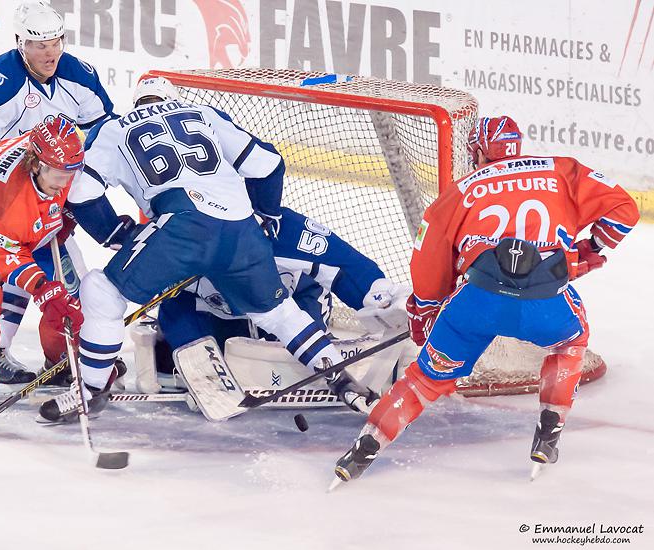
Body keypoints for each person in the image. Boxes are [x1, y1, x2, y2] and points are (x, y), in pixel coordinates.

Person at [39, 76, 378, 421]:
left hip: (183, 226)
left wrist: (115, 234)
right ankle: (341, 378)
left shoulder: (114, 128)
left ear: (138, 103)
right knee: (279, 314)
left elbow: (82, 194)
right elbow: (268, 164)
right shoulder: (204, 112)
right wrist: (267, 216)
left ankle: (91, 390)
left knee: (101, 290)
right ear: (174, 98)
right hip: (241, 228)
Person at [332, 116, 641, 484]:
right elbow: (625, 210)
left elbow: (427, 264)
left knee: (423, 380)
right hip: (546, 304)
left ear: (478, 151)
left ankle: (362, 451)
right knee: (570, 343)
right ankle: (548, 433)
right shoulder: (561, 171)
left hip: (476, 305)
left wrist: (425, 312)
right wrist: (590, 249)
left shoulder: (459, 192)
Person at [0, 0, 117, 384]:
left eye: (56, 42)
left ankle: (63, 356)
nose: (50, 53)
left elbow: (106, 132)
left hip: (49, 182)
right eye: (40, 45)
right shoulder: (0, 82)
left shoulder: (78, 75)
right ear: (20, 43)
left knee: (62, 278)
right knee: (8, 267)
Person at [145, 206, 409, 391]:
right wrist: (191, 353)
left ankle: (331, 354)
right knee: (189, 358)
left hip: (292, 303)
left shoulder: (286, 232)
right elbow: (170, 299)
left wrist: (381, 299)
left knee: (299, 364)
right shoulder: (180, 236)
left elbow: (348, 266)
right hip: (216, 311)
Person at [0, 118, 90, 423]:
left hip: (35, 228)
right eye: (58, 174)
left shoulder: (60, 161)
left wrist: (68, 217)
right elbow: (11, 256)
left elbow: (80, 186)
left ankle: (61, 363)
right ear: (36, 164)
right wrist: (42, 289)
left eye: (70, 173)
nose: (65, 182)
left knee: (70, 298)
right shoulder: (4, 197)